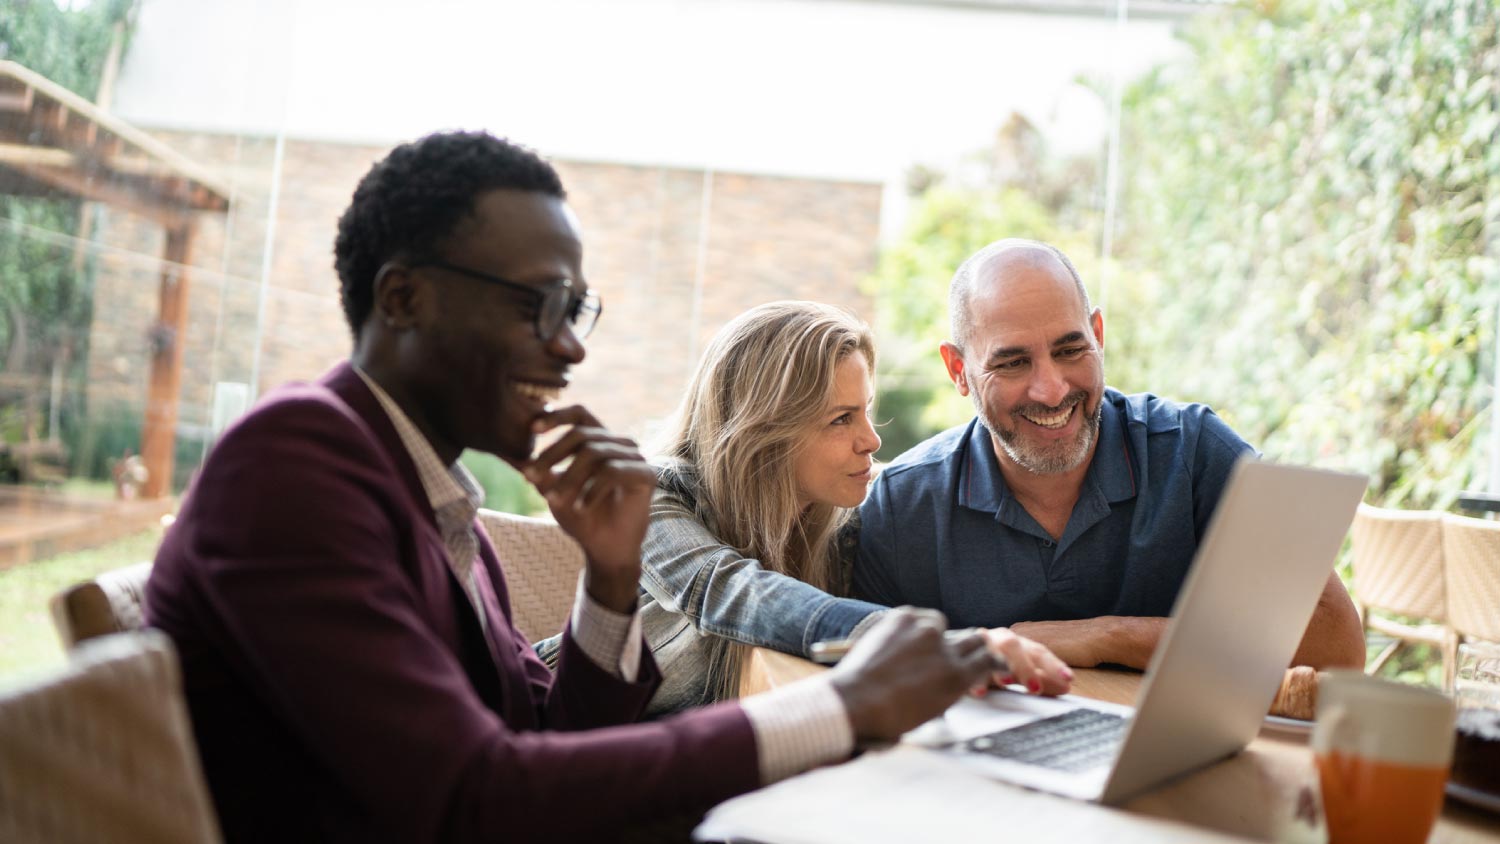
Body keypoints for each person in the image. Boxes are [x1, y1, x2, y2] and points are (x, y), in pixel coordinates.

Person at [144, 130, 1021, 843]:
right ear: (404, 299)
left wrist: (608, 580)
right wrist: (838, 706)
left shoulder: (430, 493)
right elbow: (472, 797)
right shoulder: (292, 462)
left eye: (577, 311)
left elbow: (552, 734)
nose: (570, 348)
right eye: (540, 305)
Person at [853, 238, 1366, 671]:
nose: (1051, 390)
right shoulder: (902, 507)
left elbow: (1335, 644)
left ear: (1098, 337)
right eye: (1012, 363)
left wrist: (1106, 636)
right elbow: (864, 679)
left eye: (1070, 350)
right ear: (958, 370)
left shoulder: (1194, 451)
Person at [619, 301, 1072, 713]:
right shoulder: (654, 494)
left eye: (865, 411)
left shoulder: (844, 525)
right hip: (570, 742)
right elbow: (729, 592)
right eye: (841, 419)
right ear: (764, 431)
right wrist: (923, 643)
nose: (872, 441)